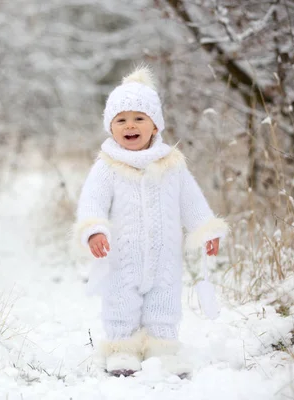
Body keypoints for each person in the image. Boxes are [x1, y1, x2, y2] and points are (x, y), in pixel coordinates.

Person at [74, 65, 228, 378]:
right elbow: (91, 202)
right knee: (120, 303)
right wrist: (94, 231)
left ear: (155, 125)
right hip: (122, 258)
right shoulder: (107, 167)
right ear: (110, 127)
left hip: (164, 259)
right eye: (121, 120)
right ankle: (121, 349)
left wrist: (205, 229)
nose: (129, 125)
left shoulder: (172, 164)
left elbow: (191, 201)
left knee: (164, 304)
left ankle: (163, 350)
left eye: (139, 118)